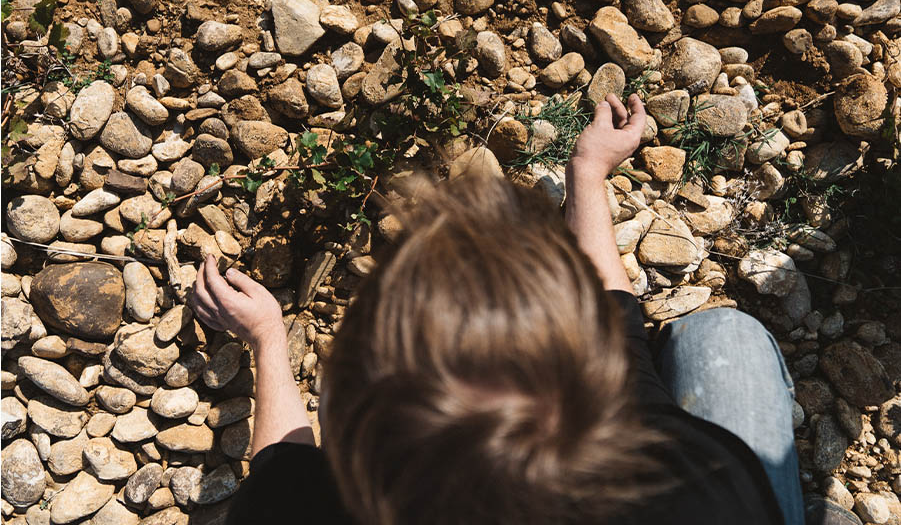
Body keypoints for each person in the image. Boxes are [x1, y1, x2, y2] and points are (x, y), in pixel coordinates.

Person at [192, 94, 807, 525]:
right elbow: (611, 309)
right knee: (725, 335)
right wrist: (588, 173)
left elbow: (283, 464)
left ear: (351, 432)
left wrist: (270, 339)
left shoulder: (305, 508)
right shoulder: (687, 468)